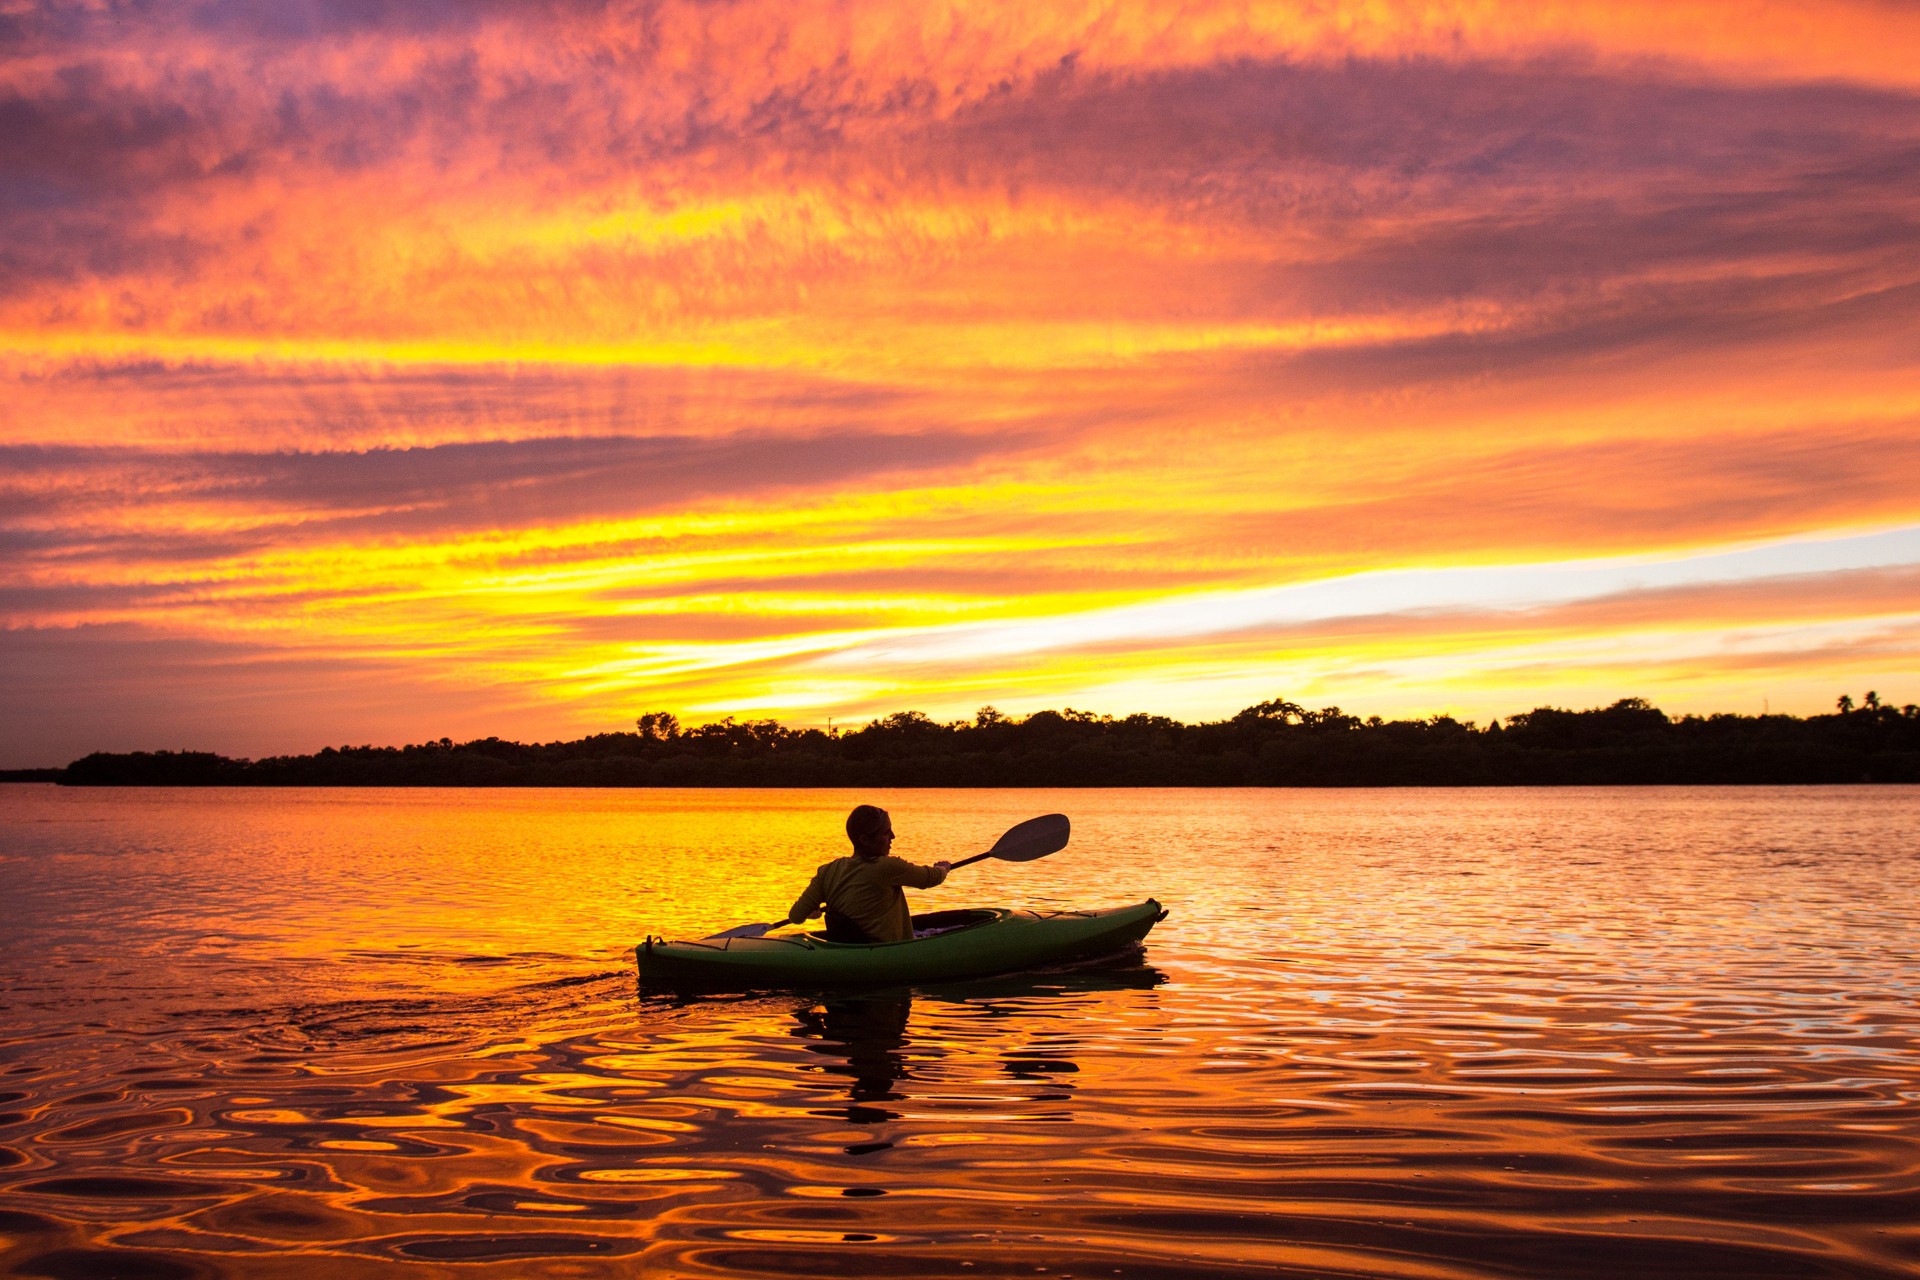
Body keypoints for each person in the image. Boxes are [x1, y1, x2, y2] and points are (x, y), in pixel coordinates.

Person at [788, 805, 950, 943]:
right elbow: (930, 878)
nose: (893, 837)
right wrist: (943, 868)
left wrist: (810, 912)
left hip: (849, 949)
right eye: (886, 833)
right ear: (865, 839)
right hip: (887, 952)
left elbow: (795, 916)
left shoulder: (827, 871)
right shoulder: (887, 866)